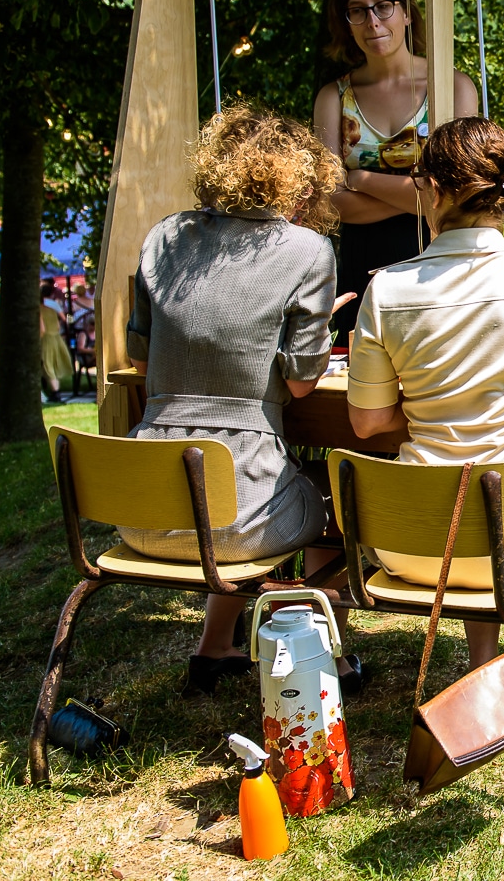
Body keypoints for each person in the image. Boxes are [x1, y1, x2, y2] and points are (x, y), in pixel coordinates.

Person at [346, 116, 504, 668]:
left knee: (472, 517)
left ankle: (484, 665)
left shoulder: (385, 288)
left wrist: (434, 404)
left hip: (413, 537)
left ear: (433, 190)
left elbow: (367, 422)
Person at [124, 105, 354, 694]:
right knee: (332, 490)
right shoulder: (307, 250)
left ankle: (214, 647)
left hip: (143, 511)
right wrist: (314, 329)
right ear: (297, 178)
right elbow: (301, 383)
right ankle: (325, 652)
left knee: (232, 478)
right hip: (239, 519)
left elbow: (142, 363)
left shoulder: (164, 236)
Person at [313, 0, 479, 336]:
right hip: (361, 271)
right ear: (347, 22)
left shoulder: (452, 88)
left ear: (406, 13)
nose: (372, 21)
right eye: (358, 10)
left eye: (384, 5)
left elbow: (458, 195)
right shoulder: (334, 97)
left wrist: (360, 179)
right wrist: (423, 195)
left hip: (440, 266)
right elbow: (330, 203)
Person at [39, 284, 74, 404]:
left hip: (46, 339)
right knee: (53, 364)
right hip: (56, 338)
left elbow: (42, 329)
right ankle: (56, 391)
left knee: (47, 365)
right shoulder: (52, 309)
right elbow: (60, 324)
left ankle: (55, 392)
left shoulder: (38, 311)